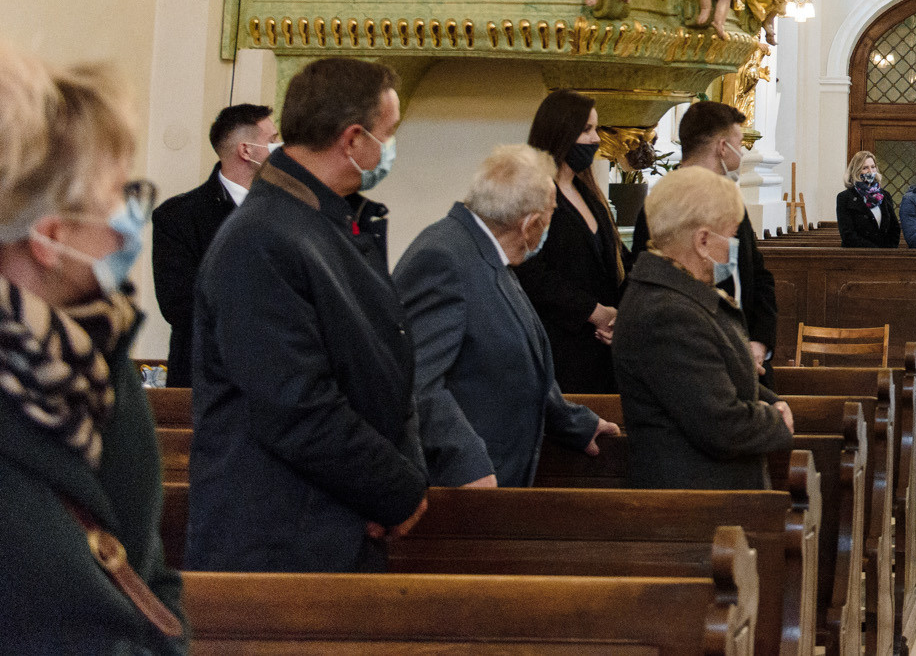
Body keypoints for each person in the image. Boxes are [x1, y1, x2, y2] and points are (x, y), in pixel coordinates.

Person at [187, 57, 428, 572]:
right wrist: (395, 490)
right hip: (280, 543)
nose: (390, 147)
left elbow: (377, 367)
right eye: (389, 133)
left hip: (332, 522)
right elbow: (296, 405)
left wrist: (396, 480)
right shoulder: (261, 238)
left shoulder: (324, 221)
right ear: (353, 139)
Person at [0, 46, 185, 652]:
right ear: (50, 237)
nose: (132, 215)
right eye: (119, 193)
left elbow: (146, 572)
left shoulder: (96, 349)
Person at [395, 145, 618, 488]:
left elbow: (523, 361)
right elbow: (415, 379)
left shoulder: (490, 253)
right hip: (465, 486)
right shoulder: (443, 258)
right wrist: (465, 461)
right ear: (529, 224)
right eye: (550, 217)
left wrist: (574, 423)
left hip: (502, 475)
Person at [617, 167, 794, 489]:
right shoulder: (667, 313)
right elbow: (721, 425)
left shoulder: (679, 295)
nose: (734, 247)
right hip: (696, 501)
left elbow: (722, 376)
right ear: (702, 241)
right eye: (731, 236)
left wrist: (770, 400)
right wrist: (775, 418)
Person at [633, 101, 778, 378]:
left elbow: (758, 275)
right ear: (723, 147)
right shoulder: (662, 206)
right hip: (693, 357)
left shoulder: (731, 201)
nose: (742, 152)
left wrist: (760, 342)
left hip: (747, 357)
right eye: (740, 143)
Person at [151, 101, 273, 388]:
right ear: (246, 151)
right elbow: (178, 304)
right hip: (208, 376)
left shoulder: (287, 210)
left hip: (274, 374)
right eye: (273, 140)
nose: (281, 150)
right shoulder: (179, 216)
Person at [514, 90, 628, 394]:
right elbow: (529, 270)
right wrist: (595, 312)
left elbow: (616, 256)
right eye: (586, 129)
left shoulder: (587, 191)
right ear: (561, 131)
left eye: (596, 129)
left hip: (602, 348)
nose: (596, 139)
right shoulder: (534, 192)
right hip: (562, 344)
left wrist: (621, 317)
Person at [836, 150, 900, 249]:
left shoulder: (884, 195)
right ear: (856, 171)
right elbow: (847, 234)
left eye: (873, 167)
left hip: (885, 254)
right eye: (865, 168)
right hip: (858, 254)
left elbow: (894, 228)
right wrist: (873, 251)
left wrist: (888, 251)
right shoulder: (844, 198)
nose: (870, 171)